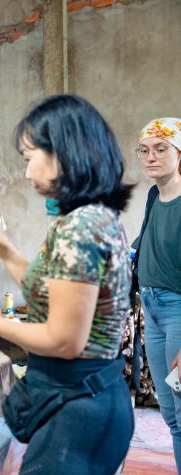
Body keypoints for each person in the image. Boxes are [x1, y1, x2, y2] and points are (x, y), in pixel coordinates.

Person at [0, 94, 134, 473]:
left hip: (79, 407)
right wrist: (6, 252)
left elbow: (65, 341)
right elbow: (52, 296)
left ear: (63, 154)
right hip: (91, 397)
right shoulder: (93, 218)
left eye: (28, 157)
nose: (26, 172)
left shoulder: (81, 228)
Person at [133, 117, 181, 471]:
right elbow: (143, 242)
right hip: (151, 308)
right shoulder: (153, 195)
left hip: (178, 310)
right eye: (145, 150)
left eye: (162, 149)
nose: (152, 157)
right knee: (170, 413)